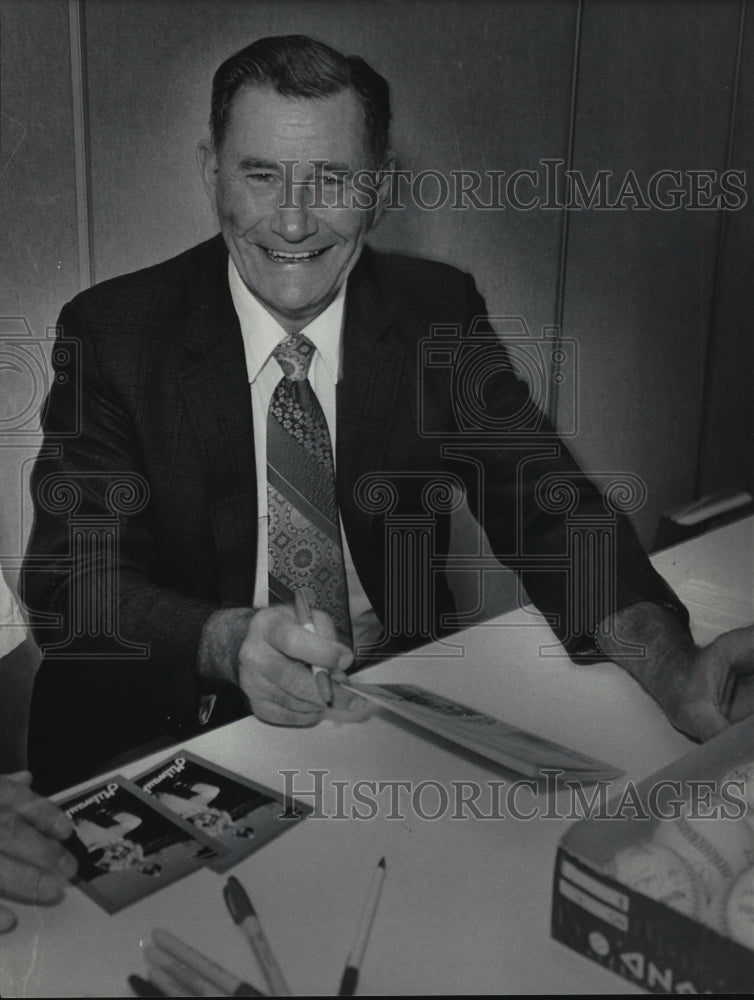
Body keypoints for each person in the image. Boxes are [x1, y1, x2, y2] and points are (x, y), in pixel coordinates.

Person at [21, 34, 754, 794]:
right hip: (165, 728)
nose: (294, 223)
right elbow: (72, 581)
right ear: (213, 175)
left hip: (377, 715)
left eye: (332, 179)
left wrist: (674, 667)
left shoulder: (437, 313)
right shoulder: (116, 333)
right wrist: (227, 641)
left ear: (381, 187)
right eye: (262, 175)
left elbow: (549, 507)